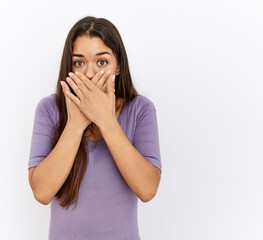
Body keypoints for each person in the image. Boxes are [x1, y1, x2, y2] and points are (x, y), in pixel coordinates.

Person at [28, 16, 162, 240]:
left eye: (102, 62)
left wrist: (106, 121)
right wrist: (76, 124)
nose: (90, 74)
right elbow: (42, 192)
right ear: (69, 67)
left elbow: (147, 190)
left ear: (118, 66)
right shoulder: (49, 109)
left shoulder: (140, 110)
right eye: (79, 63)